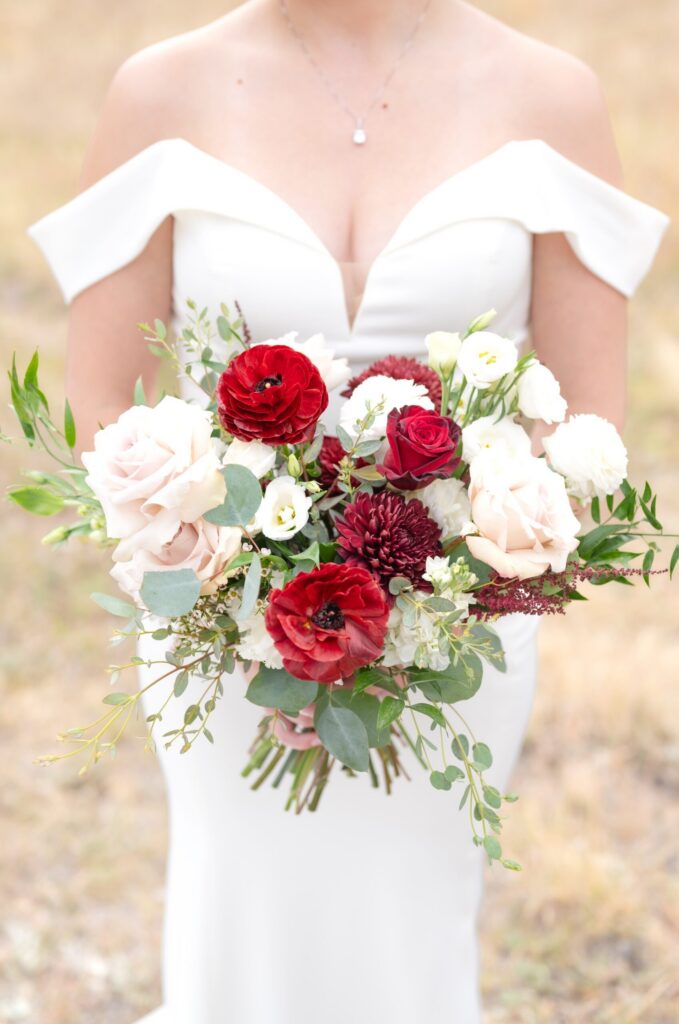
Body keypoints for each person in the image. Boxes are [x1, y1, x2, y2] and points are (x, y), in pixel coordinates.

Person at [27, 2, 668, 1021]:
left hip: (455, 637)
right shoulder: (162, 90)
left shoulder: (551, 95)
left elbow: (586, 416)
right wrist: (237, 580)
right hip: (220, 628)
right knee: (242, 937)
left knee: (407, 941)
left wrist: (436, 597)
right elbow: (105, 401)